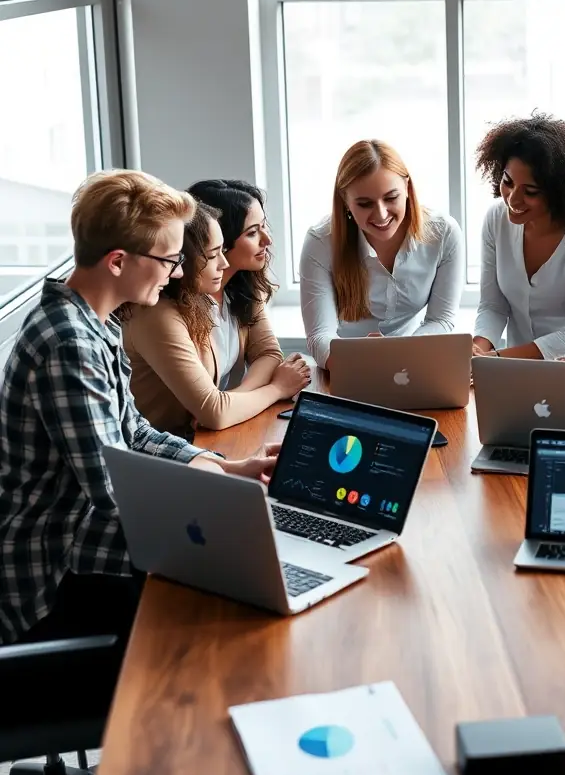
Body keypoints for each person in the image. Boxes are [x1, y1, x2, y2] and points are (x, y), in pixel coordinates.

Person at [0, 170, 278, 649]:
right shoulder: (69, 344)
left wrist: (225, 469)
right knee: (225, 615)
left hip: (81, 546)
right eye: (170, 260)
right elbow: (112, 490)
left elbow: (135, 433)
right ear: (117, 262)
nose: (176, 273)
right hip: (50, 575)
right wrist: (217, 507)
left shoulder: (95, 324)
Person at [123, 199, 307, 436]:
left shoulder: (203, 297)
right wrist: (277, 388)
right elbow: (214, 413)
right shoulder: (156, 314)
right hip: (168, 449)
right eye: (213, 255)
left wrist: (231, 400)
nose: (224, 262)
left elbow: (268, 354)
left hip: (201, 439)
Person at [299, 139, 464, 370]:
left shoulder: (444, 233)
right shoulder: (320, 241)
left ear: (407, 188)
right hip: (348, 367)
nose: (381, 213)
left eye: (391, 198)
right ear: (345, 201)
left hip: (414, 364)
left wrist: (395, 354)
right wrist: (359, 361)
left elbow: (441, 321)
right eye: (365, 204)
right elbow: (319, 335)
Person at [472, 114, 565, 360]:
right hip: (509, 370)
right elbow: (493, 306)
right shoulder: (496, 218)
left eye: (531, 191)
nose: (513, 199)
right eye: (508, 181)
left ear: (561, 193)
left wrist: (494, 359)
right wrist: (477, 350)